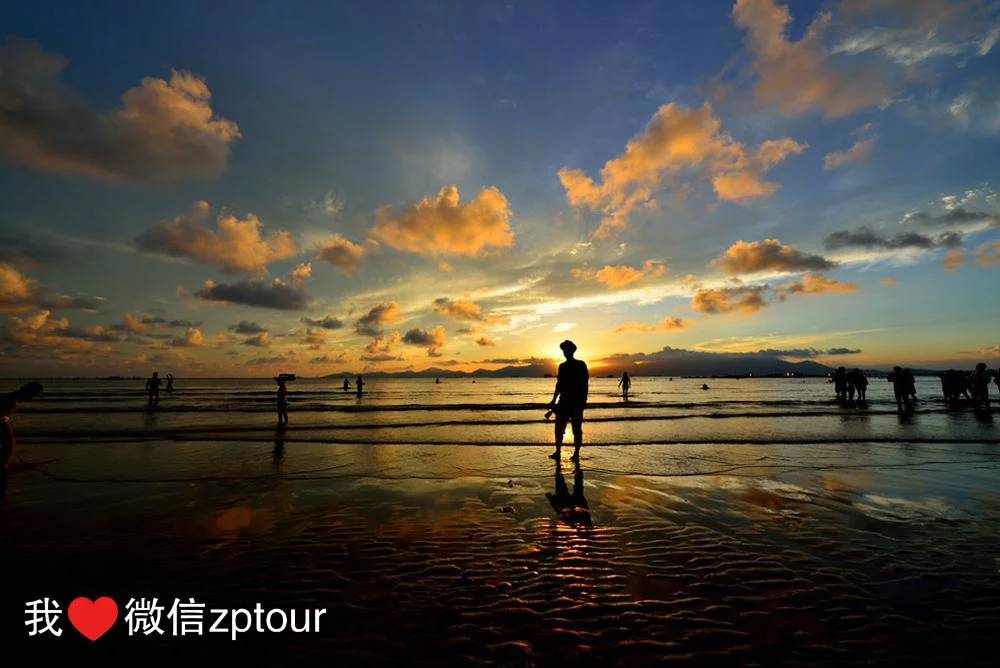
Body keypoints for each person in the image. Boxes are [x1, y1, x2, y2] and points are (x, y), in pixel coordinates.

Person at [547, 340, 589, 462]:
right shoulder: (562, 366)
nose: (565, 352)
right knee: (559, 428)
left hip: (576, 402)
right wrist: (553, 399)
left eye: (567, 350)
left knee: (577, 429)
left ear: (572, 350)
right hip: (563, 401)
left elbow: (585, 383)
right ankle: (558, 451)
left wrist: (584, 400)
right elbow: (559, 384)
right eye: (563, 350)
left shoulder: (581, 364)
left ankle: (576, 453)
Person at [1, 383, 43, 470]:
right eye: (33, 395)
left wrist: (5, 421)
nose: (32, 398)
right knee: (9, 442)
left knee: (8, 442)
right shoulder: (10, 400)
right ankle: (3, 465)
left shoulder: (11, 398)